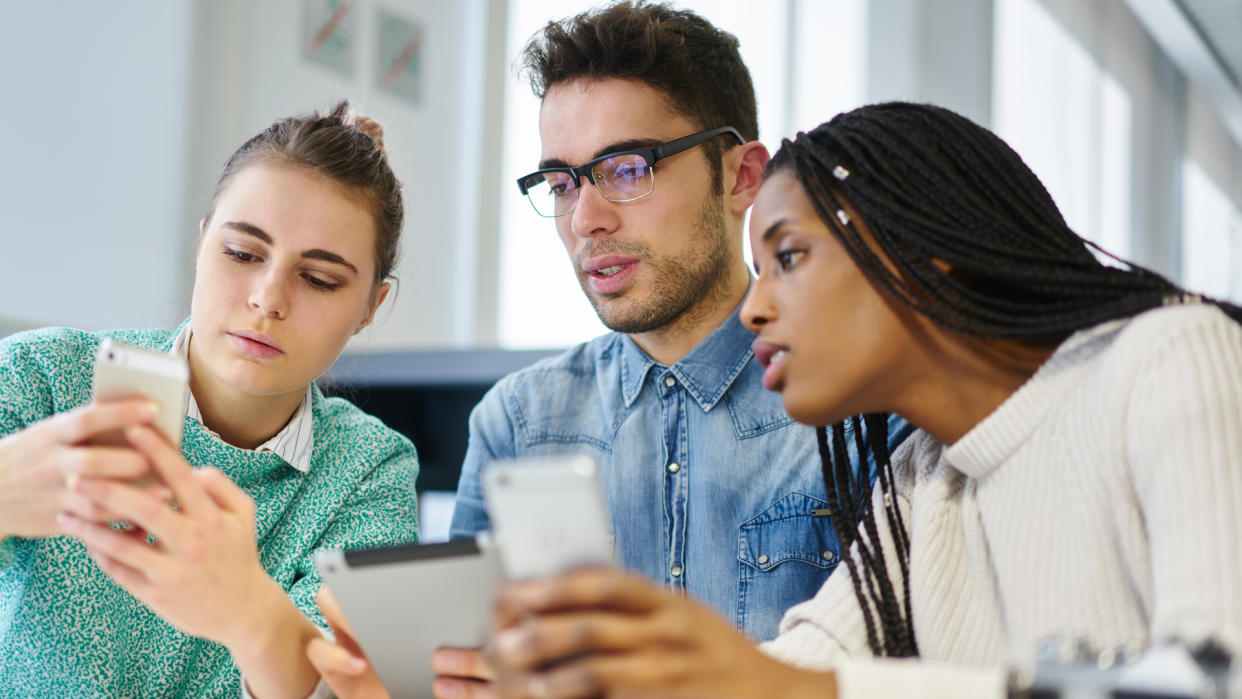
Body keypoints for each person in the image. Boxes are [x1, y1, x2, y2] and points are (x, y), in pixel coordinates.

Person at [470, 101, 1242, 698]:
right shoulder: (917, 482)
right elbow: (794, 666)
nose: (754, 309)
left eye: (791, 258)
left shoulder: (1168, 357)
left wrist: (799, 686)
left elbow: (1216, 676)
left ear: (926, 247)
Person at [306, 3, 908, 697]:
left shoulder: (858, 407)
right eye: (562, 183)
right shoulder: (517, 422)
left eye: (627, 168)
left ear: (743, 177)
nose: (586, 219)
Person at [0, 101, 419, 698]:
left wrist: (248, 610)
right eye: (243, 254)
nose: (267, 299)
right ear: (202, 245)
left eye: (319, 279)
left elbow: (349, 687)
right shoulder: (44, 378)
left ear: (369, 310)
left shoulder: (370, 470)